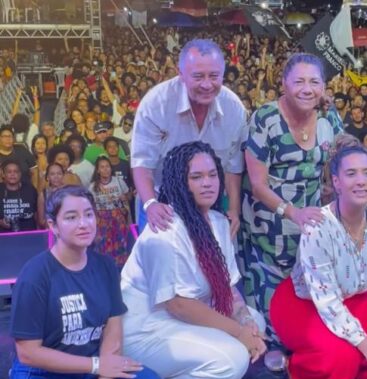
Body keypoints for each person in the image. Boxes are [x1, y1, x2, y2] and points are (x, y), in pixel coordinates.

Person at [121, 142, 266, 379]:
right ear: (180, 182)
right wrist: (238, 333)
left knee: (256, 322)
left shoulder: (220, 223)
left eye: (212, 175)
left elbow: (229, 290)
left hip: (184, 320)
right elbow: (178, 305)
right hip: (148, 330)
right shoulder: (164, 230)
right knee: (232, 359)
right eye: (196, 177)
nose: (207, 183)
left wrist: (243, 320)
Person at [270, 145, 367, 379]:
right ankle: (299, 370)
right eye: (351, 174)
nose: (361, 181)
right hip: (305, 302)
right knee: (339, 354)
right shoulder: (317, 227)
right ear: (336, 182)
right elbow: (328, 303)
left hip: (352, 299)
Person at [9, 185, 162, 379]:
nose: (84, 224)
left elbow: (113, 326)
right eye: (71, 217)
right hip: (43, 376)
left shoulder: (105, 266)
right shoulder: (35, 275)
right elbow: (28, 353)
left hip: (90, 369)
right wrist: (97, 365)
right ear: (54, 226)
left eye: (89, 215)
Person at [239, 53, 343, 342]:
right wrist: (292, 212)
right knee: (269, 299)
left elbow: (345, 158)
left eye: (314, 81)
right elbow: (258, 184)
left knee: (303, 295)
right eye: (298, 81)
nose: (306, 88)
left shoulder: (327, 118)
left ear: (324, 86)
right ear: (284, 84)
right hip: (268, 227)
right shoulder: (266, 118)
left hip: (308, 226)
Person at [131, 39, 247, 235]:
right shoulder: (156, 104)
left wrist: (233, 209)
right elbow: (142, 162)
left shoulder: (234, 108)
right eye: (198, 76)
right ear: (181, 74)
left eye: (214, 76)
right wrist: (150, 204)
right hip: (162, 204)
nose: (207, 84)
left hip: (211, 207)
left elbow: (232, 168)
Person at [89, 156, 131, 268]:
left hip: (118, 218)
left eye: (107, 166)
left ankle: (121, 269)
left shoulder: (118, 181)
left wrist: (125, 198)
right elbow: (91, 205)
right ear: (97, 170)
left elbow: (128, 195)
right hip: (102, 220)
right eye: (102, 167)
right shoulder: (93, 187)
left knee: (120, 244)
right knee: (103, 246)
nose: (105, 169)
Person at [0, 159, 38, 232]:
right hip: (3, 237)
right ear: (3, 174)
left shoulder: (30, 190)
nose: (12, 174)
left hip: (28, 234)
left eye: (16, 171)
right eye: (9, 172)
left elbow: (37, 214)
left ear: (20, 174)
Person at [37, 163, 65, 228]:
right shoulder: (43, 195)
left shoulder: (70, 193)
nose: (56, 176)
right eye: (52, 174)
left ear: (63, 175)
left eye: (59, 174)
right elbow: (41, 221)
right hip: (50, 231)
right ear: (47, 177)